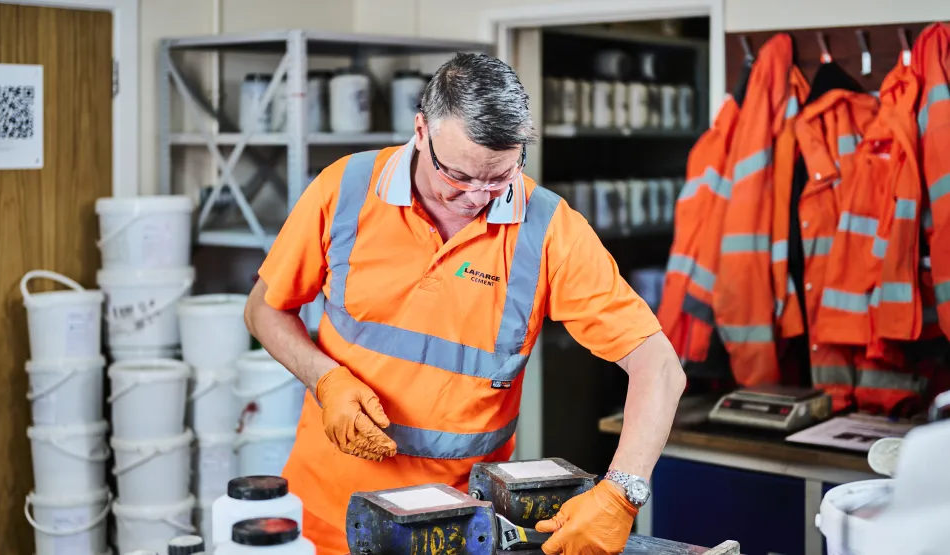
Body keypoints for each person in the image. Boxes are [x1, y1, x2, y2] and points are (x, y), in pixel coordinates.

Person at [244, 52, 686, 555]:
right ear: (421, 130)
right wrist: (324, 377)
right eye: (458, 175)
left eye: (499, 177)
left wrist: (622, 493)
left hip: (460, 532)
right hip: (326, 517)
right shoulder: (344, 190)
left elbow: (659, 366)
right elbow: (263, 308)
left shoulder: (548, 230)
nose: (477, 196)